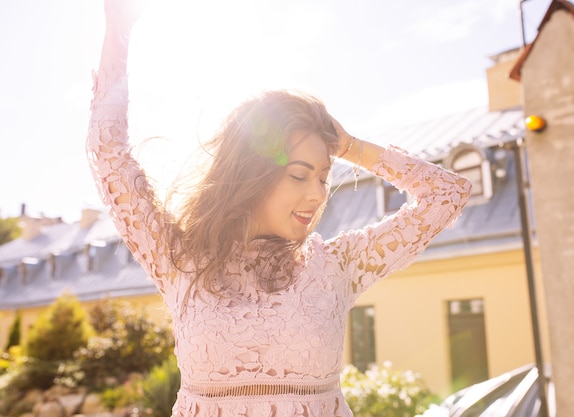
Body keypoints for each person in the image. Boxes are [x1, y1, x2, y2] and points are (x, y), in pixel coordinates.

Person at [87, 1, 472, 416]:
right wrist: (117, 29)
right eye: (299, 175)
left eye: (323, 177)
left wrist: (349, 147)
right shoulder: (180, 260)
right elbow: (109, 155)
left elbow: (446, 195)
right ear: (252, 173)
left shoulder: (336, 266)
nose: (318, 194)